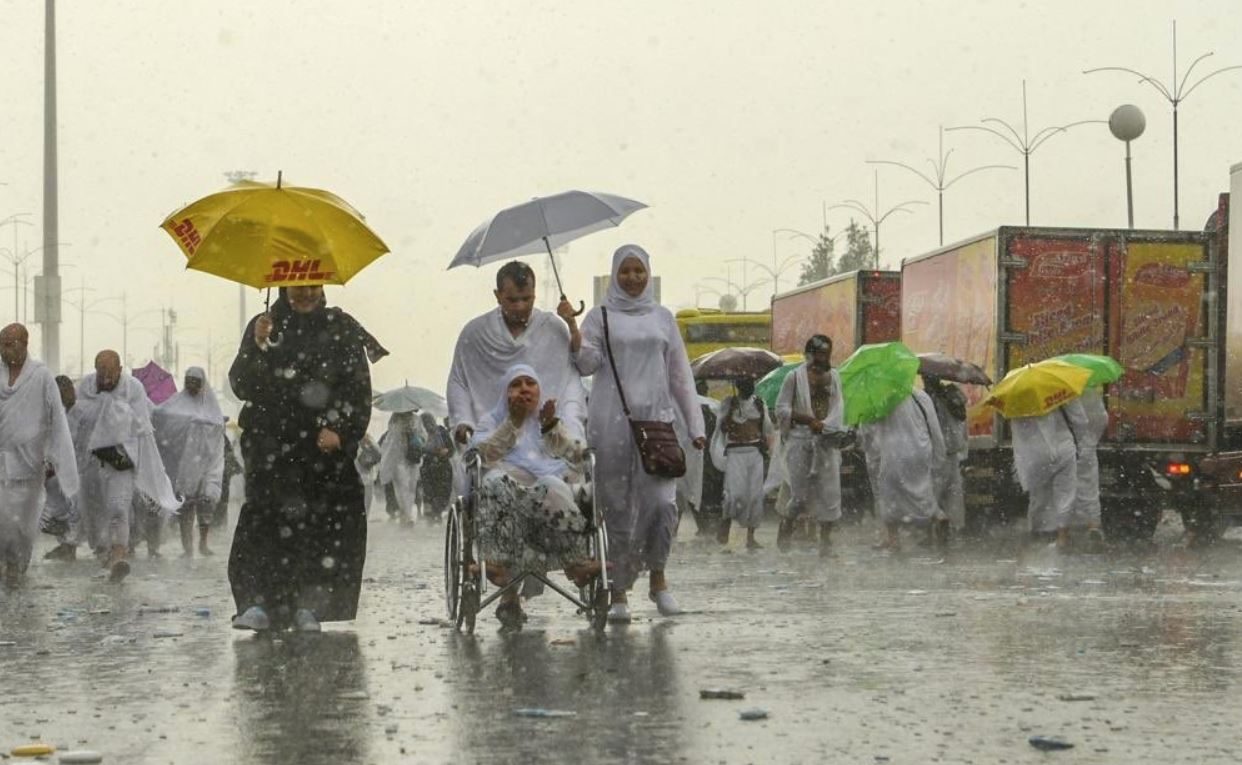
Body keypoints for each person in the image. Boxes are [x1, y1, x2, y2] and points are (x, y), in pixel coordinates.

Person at [564, 244, 706, 623]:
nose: (632, 278)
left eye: (638, 271)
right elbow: (586, 364)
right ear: (614, 274)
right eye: (625, 271)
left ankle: (658, 579)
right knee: (616, 510)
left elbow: (680, 374)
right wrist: (573, 329)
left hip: (657, 427)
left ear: (648, 274)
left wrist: (695, 425)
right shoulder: (600, 316)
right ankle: (619, 589)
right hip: (610, 427)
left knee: (662, 506)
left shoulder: (663, 318)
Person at [228, 285, 374, 633]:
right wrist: (258, 346)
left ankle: (310, 604)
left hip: (320, 453)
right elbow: (242, 385)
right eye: (298, 286)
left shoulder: (340, 329)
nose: (305, 293)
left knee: (320, 526)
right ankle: (259, 603)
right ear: (283, 285)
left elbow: (357, 389)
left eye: (313, 285)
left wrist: (341, 431)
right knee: (265, 523)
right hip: (270, 451)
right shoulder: (265, 325)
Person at [471, 364, 598, 628]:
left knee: (553, 482)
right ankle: (498, 568)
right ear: (505, 393)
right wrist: (513, 423)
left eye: (531, 383)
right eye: (516, 384)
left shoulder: (551, 422)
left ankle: (576, 562)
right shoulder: (491, 422)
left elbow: (579, 458)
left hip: (546, 511)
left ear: (540, 391)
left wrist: (551, 427)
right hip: (507, 509)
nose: (524, 389)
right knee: (493, 480)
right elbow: (484, 457)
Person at [447, 261, 588, 448]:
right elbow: (459, 382)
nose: (520, 306)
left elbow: (571, 382)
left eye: (527, 299)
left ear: (535, 294)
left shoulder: (553, 328)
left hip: (548, 445)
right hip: (493, 445)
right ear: (497, 296)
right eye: (512, 300)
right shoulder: (475, 333)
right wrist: (463, 421)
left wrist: (570, 426)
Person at [74, 350, 179, 581]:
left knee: (118, 508)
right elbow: (80, 418)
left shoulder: (133, 389)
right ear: (95, 368)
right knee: (93, 513)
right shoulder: (86, 387)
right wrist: (102, 405)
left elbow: (140, 424)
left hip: (121, 460)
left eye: (110, 371)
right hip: (92, 460)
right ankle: (103, 552)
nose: (106, 376)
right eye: (101, 370)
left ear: (120, 369)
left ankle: (119, 554)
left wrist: (114, 411)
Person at [0, 324, 78, 588]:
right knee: (3, 524)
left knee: (22, 528)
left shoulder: (41, 376)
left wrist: (55, 457)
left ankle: (16, 570)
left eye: (10, 343)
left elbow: (56, 418)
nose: (5, 348)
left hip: (30, 466)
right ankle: (8, 571)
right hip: (1, 462)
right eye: (2, 343)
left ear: (25, 343)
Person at [774, 335, 847, 557]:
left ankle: (825, 542)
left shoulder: (834, 377)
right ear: (810, 354)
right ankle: (787, 523)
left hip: (825, 441)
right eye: (819, 353)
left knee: (830, 493)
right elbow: (781, 409)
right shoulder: (793, 378)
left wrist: (828, 426)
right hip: (800, 441)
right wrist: (807, 420)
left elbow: (838, 407)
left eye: (827, 353)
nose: (823, 358)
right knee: (799, 495)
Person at [858, 387, 946, 552]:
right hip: (920, 450)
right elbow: (934, 428)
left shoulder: (879, 397)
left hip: (893, 452)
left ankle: (893, 539)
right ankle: (937, 517)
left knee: (888, 497)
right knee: (922, 491)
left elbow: (868, 432)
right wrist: (938, 455)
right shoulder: (920, 396)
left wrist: (871, 454)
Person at [152, 367, 225, 558]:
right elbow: (162, 417)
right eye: (189, 380)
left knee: (207, 501)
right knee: (186, 503)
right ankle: (188, 548)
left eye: (196, 381)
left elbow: (217, 426)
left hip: (208, 460)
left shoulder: (210, 405)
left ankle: (203, 542)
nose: (191, 385)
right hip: (185, 462)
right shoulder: (176, 403)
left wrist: (202, 424)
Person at [1011, 398, 1089, 547]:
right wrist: (1076, 440)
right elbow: (1081, 421)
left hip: (1035, 451)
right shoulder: (1061, 390)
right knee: (1066, 493)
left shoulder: (1018, 397)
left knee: (1038, 494)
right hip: (1063, 447)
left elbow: (1019, 430)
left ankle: (1037, 534)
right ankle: (1062, 536)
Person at [712, 378, 774, 550]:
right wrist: (730, 418)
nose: (749, 387)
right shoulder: (728, 403)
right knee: (735, 494)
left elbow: (767, 428)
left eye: (751, 384)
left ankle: (750, 537)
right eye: (745, 384)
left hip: (754, 453)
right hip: (735, 453)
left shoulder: (760, 404)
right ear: (738, 386)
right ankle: (726, 521)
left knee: (755, 496)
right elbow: (720, 427)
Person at [41, 375, 86, 562]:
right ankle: (66, 543)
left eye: (69, 389)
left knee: (77, 509)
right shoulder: (51, 416)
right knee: (45, 515)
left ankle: (69, 547)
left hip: (79, 472)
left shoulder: (83, 412)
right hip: (53, 474)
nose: (68, 394)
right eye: (62, 391)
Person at [923, 374, 968, 545]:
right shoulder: (953, 393)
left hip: (937, 452)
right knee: (953, 494)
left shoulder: (929, 398)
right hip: (954, 452)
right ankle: (953, 532)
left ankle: (931, 533)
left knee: (931, 494)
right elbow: (962, 417)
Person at [377, 411, 426, 523]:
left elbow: (424, 436)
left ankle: (406, 513)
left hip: (413, 459)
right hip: (398, 460)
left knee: (410, 487)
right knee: (401, 487)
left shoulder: (417, 420)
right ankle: (407, 515)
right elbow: (391, 437)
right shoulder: (395, 419)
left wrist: (416, 436)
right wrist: (403, 432)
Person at [419, 411, 454, 521]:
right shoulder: (420, 435)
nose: (428, 425)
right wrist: (431, 452)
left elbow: (452, 449)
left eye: (429, 422)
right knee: (430, 493)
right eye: (425, 423)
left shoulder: (442, 432)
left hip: (442, 468)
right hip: (429, 469)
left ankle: (437, 514)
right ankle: (432, 516)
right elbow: (418, 451)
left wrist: (446, 451)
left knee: (442, 493)